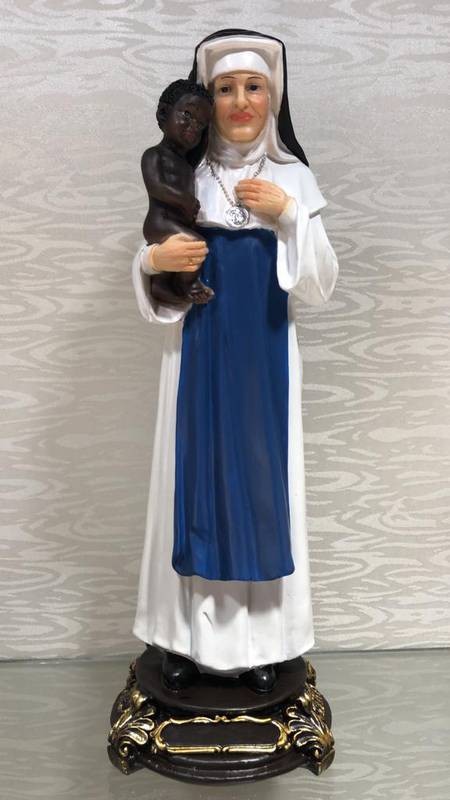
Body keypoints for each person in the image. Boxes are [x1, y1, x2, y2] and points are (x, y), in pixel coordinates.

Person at [131, 29, 339, 693]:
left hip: (262, 364)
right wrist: (153, 261)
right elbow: (150, 263)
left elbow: (320, 284)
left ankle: (265, 645)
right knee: (190, 482)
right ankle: (182, 641)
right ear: (205, 101)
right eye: (225, 88)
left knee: (260, 487)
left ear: (273, 98)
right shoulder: (182, 174)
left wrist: (290, 216)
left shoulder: (291, 177)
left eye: (254, 87)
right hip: (195, 361)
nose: (241, 101)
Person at [141, 78, 215, 306]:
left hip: (176, 222)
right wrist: (184, 200)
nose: (194, 126)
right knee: (196, 244)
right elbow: (156, 186)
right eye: (188, 115)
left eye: (201, 124)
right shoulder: (154, 155)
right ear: (164, 113)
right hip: (159, 223)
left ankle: (163, 285)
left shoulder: (187, 165)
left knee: (183, 251)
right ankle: (187, 285)